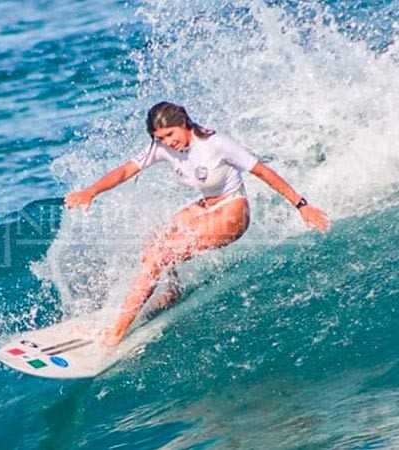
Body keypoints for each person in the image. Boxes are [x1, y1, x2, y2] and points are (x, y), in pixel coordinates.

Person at [65, 102, 329, 346]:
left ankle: (114, 334)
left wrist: (302, 205)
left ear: (183, 122)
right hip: (207, 205)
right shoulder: (162, 148)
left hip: (233, 211)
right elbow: (126, 170)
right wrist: (92, 191)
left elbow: (262, 172)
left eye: (170, 134)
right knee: (154, 243)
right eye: (161, 139)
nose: (168, 143)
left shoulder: (216, 144)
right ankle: (172, 291)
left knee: (160, 255)